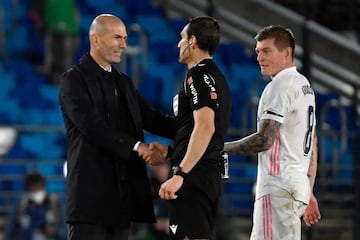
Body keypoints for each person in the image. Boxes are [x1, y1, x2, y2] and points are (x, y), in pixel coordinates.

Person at [58, 14, 176, 240]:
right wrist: (137, 146)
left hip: (121, 201)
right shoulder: (73, 80)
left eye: (125, 38)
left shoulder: (124, 82)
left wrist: (191, 127)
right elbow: (91, 126)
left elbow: (151, 118)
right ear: (95, 40)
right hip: (89, 202)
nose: (123, 44)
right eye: (116, 37)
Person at [224, 25, 321, 240]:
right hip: (295, 187)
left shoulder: (280, 85)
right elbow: (312, 142)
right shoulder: (304, 85)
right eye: (258, 51)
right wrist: (308, 188)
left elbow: (264, 140)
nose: (259, 57)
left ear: (287, 53)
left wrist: (221, 148)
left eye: (267, 51)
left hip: (278, 186)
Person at [142, 16, 232, 240]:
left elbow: (205, 128)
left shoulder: (198, 75)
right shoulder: (214, 76)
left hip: (194, 177)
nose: (178, 44)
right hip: (203, 174)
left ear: (193, 41)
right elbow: (193, 128)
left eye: (182, 38)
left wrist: (181, 174)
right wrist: (172, 153)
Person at [6, 171, 62, 240]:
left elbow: (64, 227)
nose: (37, 190)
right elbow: (11, 229)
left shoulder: (54, 203)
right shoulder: (21, 205)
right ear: (28, 188)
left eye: (39, 186)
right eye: (34, 187)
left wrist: (54, 230)